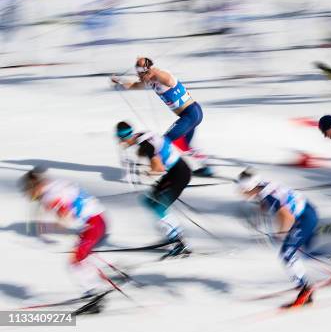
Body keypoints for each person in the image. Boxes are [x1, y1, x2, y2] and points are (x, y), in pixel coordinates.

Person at [237, 169, 331, 308]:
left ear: (249, 187)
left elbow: (287, 216)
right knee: (307, 252)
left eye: (242, 190)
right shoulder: (263, 186)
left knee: (287, 254)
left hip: (302, 219)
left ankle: (305, 290)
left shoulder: (267, 196)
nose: (241, 193)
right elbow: (278, 201)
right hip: (308, 212)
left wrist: (281, 234)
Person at [19, 167, 112, 312]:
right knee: (81, 258)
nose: (29, 195)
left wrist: (50, 228)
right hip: (98, 219)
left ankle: (94, 295)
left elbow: (65, 216)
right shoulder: (56, 184)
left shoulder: (49, 196)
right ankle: (94, 287)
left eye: (28, 191)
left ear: (35, 186)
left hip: (93, 224)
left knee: (74, 262)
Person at [111, 57, 212, 177]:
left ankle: (167, 168)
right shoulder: (149, 79)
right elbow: (136, 85)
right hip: (192, 113)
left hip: (190, 114)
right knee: (185, 145)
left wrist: (154, 72)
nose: (138, 77)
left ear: (147, 71)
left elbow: (169, 81)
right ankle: (207, 167)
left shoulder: (161, 76)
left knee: (164, 141)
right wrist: (120, 82)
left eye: (140, 74)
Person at [116, 121, 192, 258]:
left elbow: (159, 168)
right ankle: (172, 237)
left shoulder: (145, 145)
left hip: (179, 174)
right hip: (175, 172)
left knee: (159, 208)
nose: (120, 143)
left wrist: (146, 173)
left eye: (120, 140)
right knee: (149, 201)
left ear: (125, 137)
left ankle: (178, 242)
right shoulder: (142, 136)